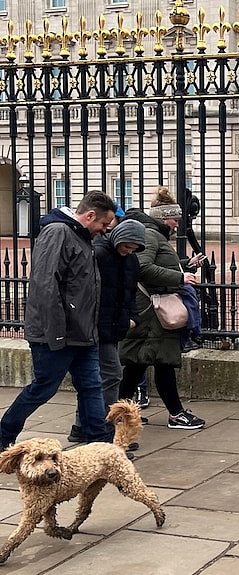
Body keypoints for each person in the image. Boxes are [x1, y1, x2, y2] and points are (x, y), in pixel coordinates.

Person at [0, 191, 117, 450]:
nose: (104, 231)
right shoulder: (58, 232)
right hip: (57, 334)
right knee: (43, 388)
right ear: (90, 216)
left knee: (91, 386)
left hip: (82, 333)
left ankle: (101, 445)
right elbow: (44, 285)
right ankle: (3, 434)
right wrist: (57, 334)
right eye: (103, 224)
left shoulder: (80, 236)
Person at [118, 186, 206, 430]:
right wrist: (180, 278)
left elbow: (158, 264)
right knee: (160, 362)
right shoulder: (150, 235)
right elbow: (142, 268)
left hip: (152, 311)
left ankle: (120, 412)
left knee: (139, 364)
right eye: (175, 219)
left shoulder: (156, 235)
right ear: (163, 217)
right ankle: (175, 414)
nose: (177, 224)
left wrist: (185, 265)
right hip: (151, 311)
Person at [67, 218, 147, 459]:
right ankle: (102, 428)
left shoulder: (130, 260)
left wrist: (131, 317)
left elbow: (129, 292)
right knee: (111, 375)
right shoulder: (100, 255)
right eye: (127, 245)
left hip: (113, 326)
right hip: (97, 326)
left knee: (94, 378)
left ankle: (83, 426)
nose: (129, 251)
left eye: (134, 248)